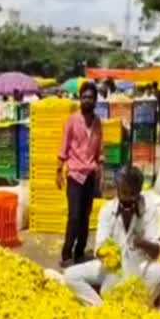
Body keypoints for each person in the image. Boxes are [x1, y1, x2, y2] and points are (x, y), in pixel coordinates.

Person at [64, 167, 160, 306]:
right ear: (117, 190)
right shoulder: (107, 210)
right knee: (71, 275)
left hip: (138, 266)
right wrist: (106, 253)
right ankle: (100, 307)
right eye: (124, 193)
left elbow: (156, 252)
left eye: (133, 194)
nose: (129, 198)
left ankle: (139, 306)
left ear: (139, 191)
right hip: (113, 268)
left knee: (158, 273)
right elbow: (99, 246)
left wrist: (142, 243)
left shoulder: (149, 210)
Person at [56, 82, 103, 267]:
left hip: (90, 174)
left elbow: (100, 149)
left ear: (95, 100)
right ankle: (66, 254)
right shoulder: (72, 120)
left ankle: (80, 253)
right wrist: (58, 170)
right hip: (75, 174)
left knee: (85, 216)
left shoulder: (98, 122)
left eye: (90, 97)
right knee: (74, 216)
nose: (87, 100)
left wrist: (101, 172)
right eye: (84, 97)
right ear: (80, 99)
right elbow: (64, 146)